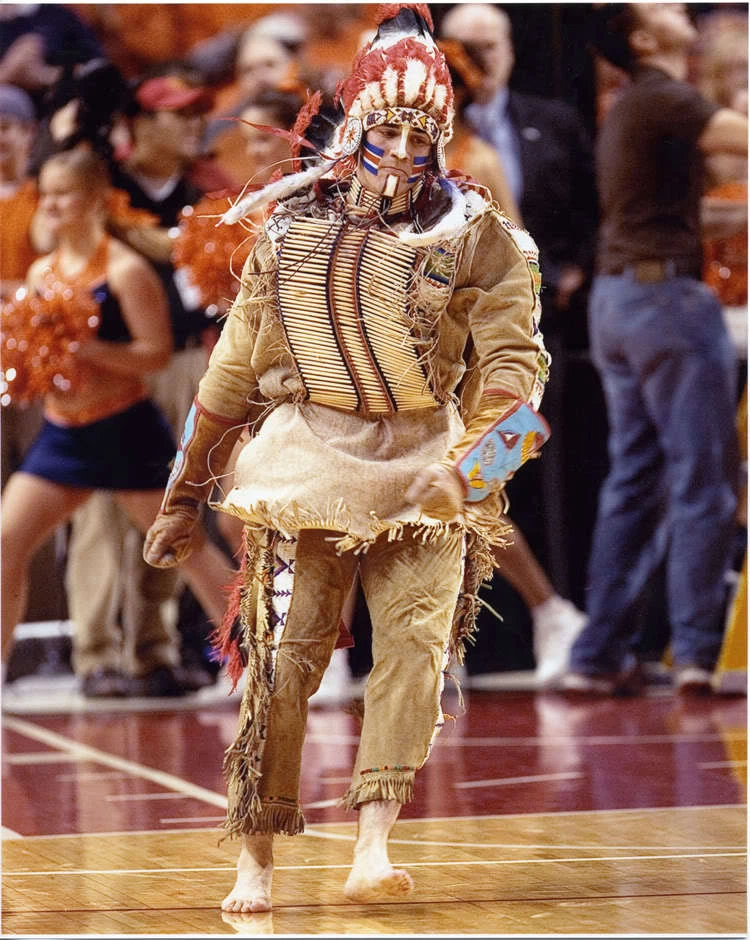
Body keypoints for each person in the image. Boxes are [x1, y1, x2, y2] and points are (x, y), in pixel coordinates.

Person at [143, 3, 549, 911]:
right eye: (387, 131)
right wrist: (181, 494)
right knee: (283, 657)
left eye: (423, 136)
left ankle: (373, 839)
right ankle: (256, 857)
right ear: (354, 126)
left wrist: (471, 471)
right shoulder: (286, 231)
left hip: (424, 465)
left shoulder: (477, 233)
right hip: (306, 465)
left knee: (413, 648)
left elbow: (521, 375)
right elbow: (232, 372)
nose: (405, 154)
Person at [561, 3, 747, 696]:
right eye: (663, 6)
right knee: (705, 482)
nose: (678, 7)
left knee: (634, 482)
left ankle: (598, 652)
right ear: (643, 39)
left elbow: (682, 215)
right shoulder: (666, 97)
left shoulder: (636, 106)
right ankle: (696, 655)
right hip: (667, 303)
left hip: (620, 304)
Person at [0, 148, 233, 684]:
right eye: (48, 194)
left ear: (96, 200)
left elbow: (153, 355)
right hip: (63, 435)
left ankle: (264, 666)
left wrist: (86, 350)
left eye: (65, 194)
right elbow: (43, 357)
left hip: (124, 428)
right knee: (8, 544)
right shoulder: (41, 271)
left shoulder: (126, 271)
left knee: (188, 550)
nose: (53, 204)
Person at [440, 3, 596, 685]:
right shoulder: (386, 171)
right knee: (416, 498)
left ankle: (551, 612)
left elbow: (519, 269)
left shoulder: (482, 163)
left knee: (473, 490)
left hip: (491, 358)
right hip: (416, 360)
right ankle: (440, 641)